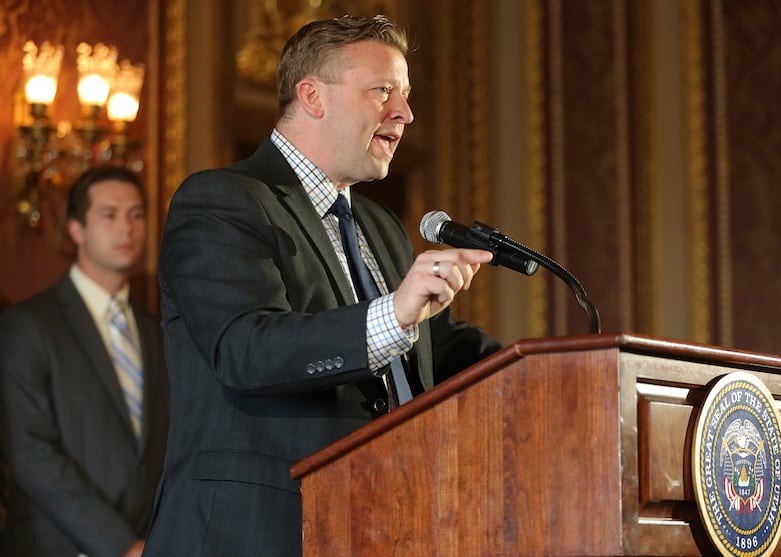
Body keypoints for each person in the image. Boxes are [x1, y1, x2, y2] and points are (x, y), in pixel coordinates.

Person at [142, 14, 501, 557]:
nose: (404, 112)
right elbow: (245, 348)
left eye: (404, 94)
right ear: (312, 96)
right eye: (384, 91)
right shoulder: (223, 200)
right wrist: (395, 314)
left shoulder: (380, 227)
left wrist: (565, 375)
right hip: (254, 531)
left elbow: (436, 348)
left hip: (379, 525)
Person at [0, 166, 170, 557]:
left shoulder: (158, 332)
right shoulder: (27, 326)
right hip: (55, 545)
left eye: (137, 214)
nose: (127, 228)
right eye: (109, 215)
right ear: (76, 230)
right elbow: (31, 455)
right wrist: (122, 545)